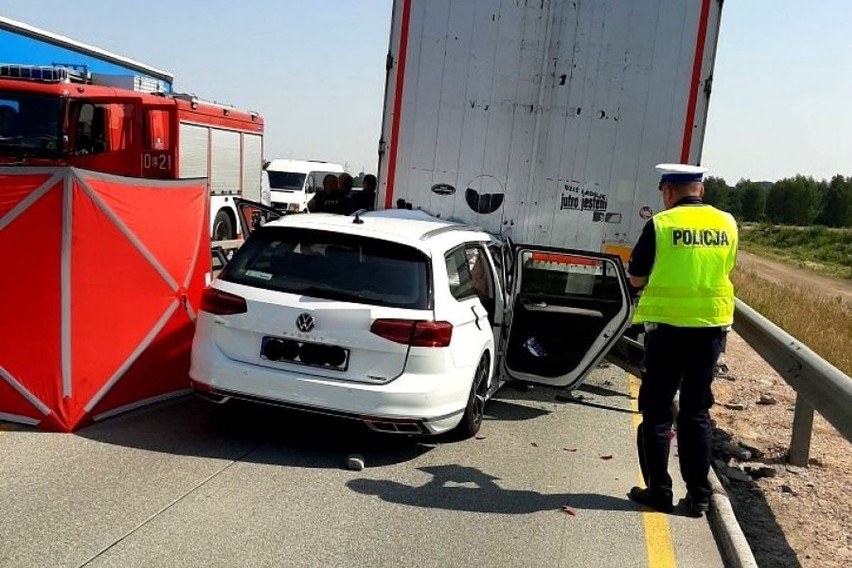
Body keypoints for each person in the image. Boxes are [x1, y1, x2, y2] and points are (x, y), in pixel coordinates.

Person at [627, 163, 738, 517]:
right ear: (701, 190)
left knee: (657, 411)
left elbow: (636, 278)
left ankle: (658, 491)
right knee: (696, 412)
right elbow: (727, 268)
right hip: (709, 332)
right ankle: (699, 496)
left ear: (668, 192)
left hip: (667, 333)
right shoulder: (727, 224)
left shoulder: (661, 225)